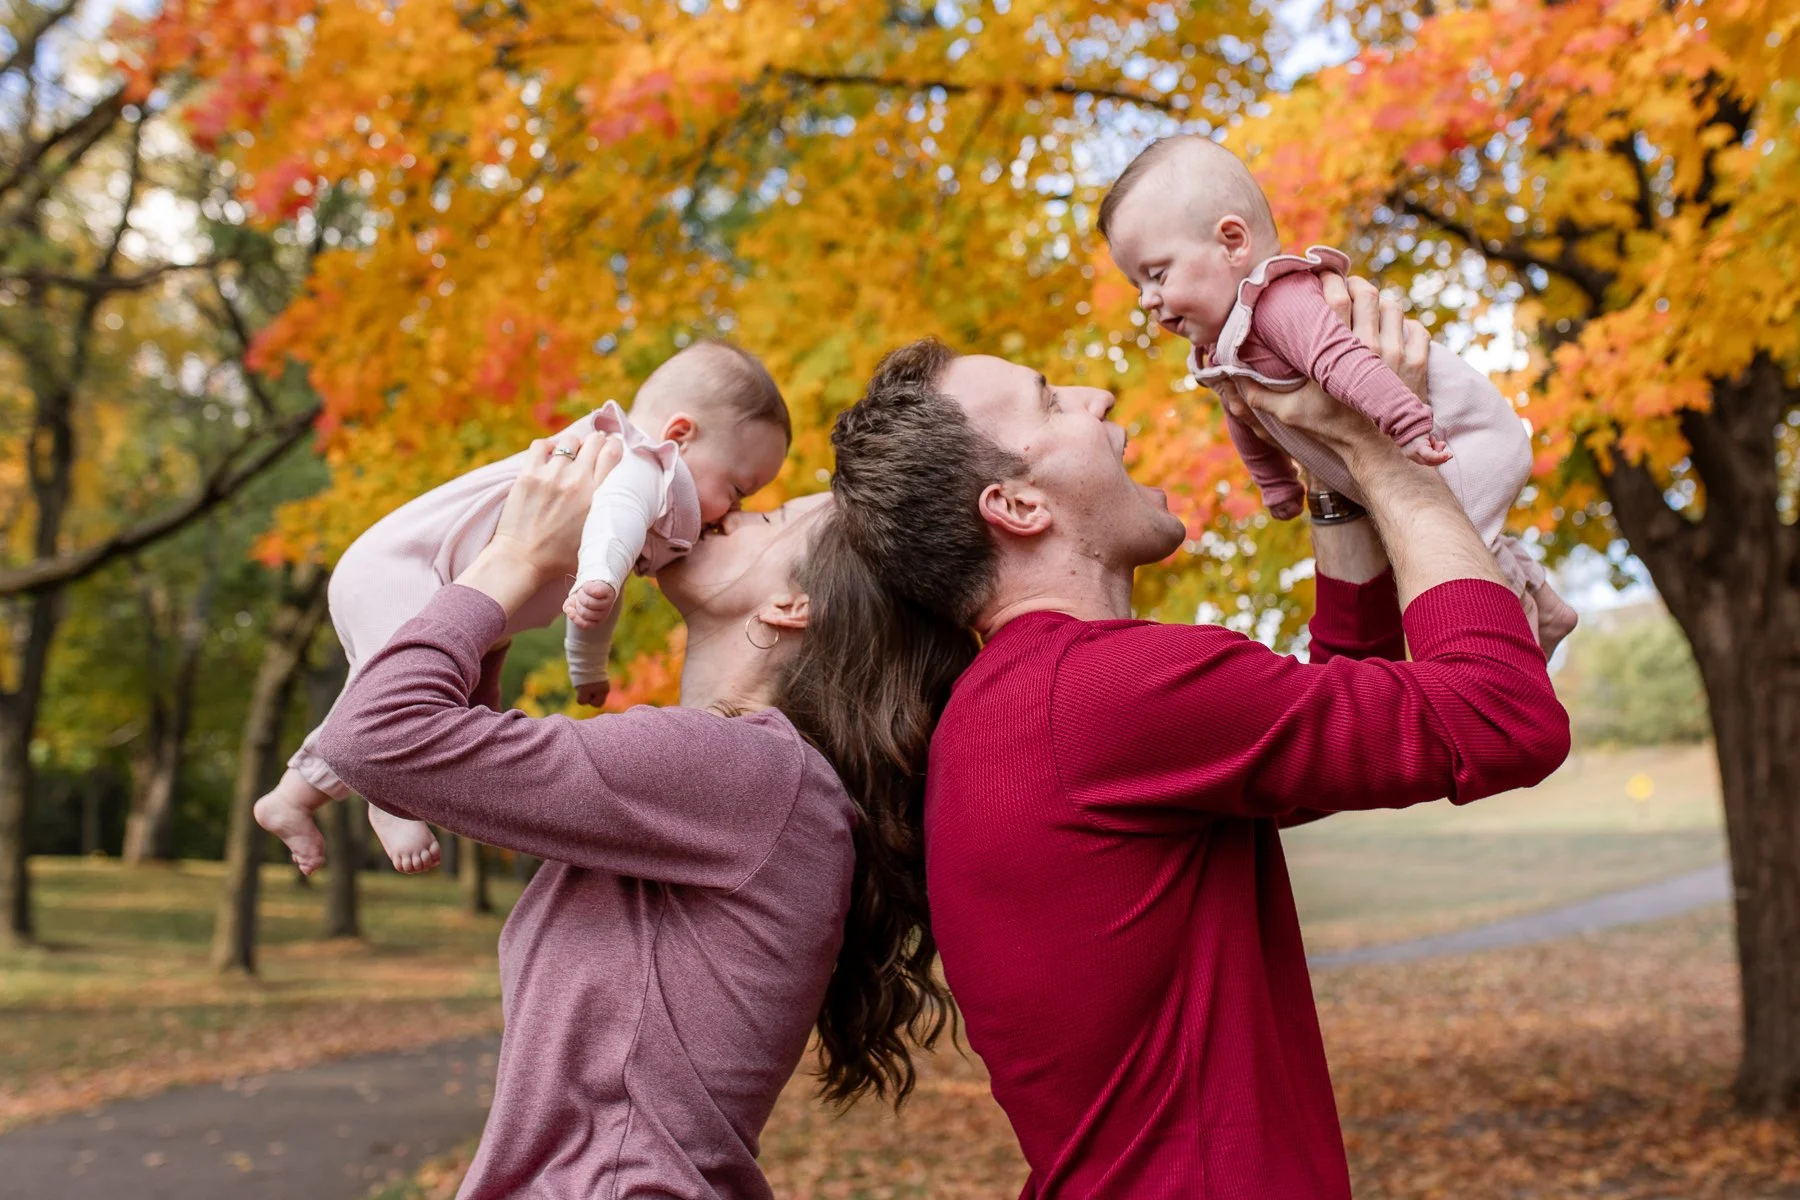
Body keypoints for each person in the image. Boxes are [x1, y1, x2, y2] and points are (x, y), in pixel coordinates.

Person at [827, 276, 1571, 1198]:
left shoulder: (1028, 705)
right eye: (1052, 400)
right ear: (1017, 506)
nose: (1098, 397)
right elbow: (1501, 720)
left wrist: (1332, 488)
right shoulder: (1104, 693)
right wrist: (1388, 453)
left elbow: (1327, 707)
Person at [315, 432, 960, 1198]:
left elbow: (373, 736)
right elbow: (452, 767)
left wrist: (518, 553)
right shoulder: (744, 785)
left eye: (767, 518)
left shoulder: (742, 770)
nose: (727, 515)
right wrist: (513, 582)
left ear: (793, 607)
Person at [256, 340, 792, 874]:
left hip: (443, 587)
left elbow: (596, 605)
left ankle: (292, 797)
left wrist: (589, 666)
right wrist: (602, 575)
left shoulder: (629, 498)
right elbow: (614, 526)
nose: (735, 511)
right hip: (404, 569)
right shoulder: (641, 465)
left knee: (424, 705)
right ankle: (388, 799)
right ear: (679, 436)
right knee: (392, 703)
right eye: (740, 488)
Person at [1099, 134, 1577, 655]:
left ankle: (1521, 638)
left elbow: (1343, 363)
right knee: (1443, 528)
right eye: (1136, 286)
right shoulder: (1223, 349)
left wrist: (1408, 423)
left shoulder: (1280, 304)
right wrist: (1276, 484)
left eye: (1157, 274)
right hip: (1401, 448)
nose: (1148, 301)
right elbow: (1244, 418)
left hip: (1451, 432)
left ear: (1233, 242)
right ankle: (1549, 603)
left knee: (1460, 543)